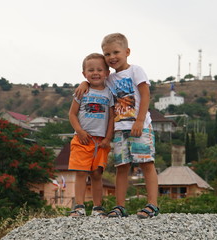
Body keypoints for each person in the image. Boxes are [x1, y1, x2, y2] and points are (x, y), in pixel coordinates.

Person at [75, 33, 159, 219]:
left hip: (140, 126)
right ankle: (120, 206)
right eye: (107, 54)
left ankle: (152, 204)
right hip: (120, 129)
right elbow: (94, 80)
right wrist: (83, 82)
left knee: (146, 163)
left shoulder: (136, 71)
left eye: (116, 52)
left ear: (127, 52)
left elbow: (145, 96)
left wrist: (139, 120)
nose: (112, 57)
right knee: (122, 166)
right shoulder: (110, 79)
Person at [68, 53, 115, 217]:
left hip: (101, 141)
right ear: (84, 74)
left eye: (100, 70)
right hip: (82, 139)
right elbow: (72, 114)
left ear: (107, 73)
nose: (95, 73)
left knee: (97, 174)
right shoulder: (82, 91)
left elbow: (111, 118)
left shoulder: (109, 94)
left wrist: (108, 138)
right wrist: (79, 131)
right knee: (81, 173)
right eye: (91, 70)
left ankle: (97, 207)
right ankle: (79, 206)